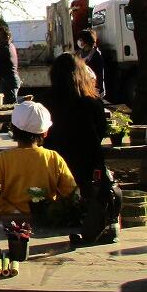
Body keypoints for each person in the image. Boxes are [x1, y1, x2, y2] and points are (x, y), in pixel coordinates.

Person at [0, 101, 78, 214]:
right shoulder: (54, 158)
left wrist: (8, 209)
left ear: (12, 129)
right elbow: (71, 192)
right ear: (45, 133)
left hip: (12, 221)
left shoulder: (2, 159)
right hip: (45, 219)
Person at [42, 53, 108, 193]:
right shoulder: (93, 102)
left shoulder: (42, 101)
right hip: (86, 165)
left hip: (51, 166)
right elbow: (101, 131)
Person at [76, 28, 105, 98]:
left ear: (86, 41)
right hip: (83, 88)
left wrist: (97, 91)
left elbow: (99, 75)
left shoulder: (96, 56)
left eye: (81, 39)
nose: (79, 41)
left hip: (93, 90)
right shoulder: (79, 53)